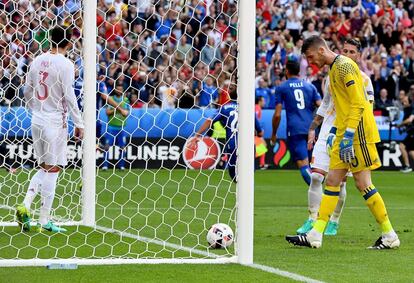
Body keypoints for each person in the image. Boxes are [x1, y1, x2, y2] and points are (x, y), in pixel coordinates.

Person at [286, 36, 400, 249]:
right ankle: (316, 234)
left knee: (363, 183)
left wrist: (348, 134)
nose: (310, 62)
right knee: (332, 181)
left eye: (311, 57)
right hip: (343, 132)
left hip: (358, 134)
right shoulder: (333, 70)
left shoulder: (345, 68)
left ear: (321, 50)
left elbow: (358, 103)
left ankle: (389, 234)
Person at [297, 38, 375, 235]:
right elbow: (325, 103)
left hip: (349, 129)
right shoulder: (332, 72)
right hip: (329, 129)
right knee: (316, 176)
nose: (348, 54)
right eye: (345, 50)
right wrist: (313, 127)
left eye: (352, 52)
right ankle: (312, 220)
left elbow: (366, 107)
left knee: (341, 181)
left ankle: (333, 221)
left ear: (358, 55)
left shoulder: (364, 79)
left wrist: (351, 133)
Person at [17, 26, 84, 233]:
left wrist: (35, 107)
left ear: (50, 39)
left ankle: (26, 205)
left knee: (45, 166)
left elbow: (27, 89)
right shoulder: (66, 64)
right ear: (69, 43)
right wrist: (79, 123)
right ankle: (44, 220)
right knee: (53, 169)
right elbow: (69, 95)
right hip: (55, 121)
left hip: (37, 118)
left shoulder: (37, 60)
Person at [194, 88, 263, 182]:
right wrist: (258, 133)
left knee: (233, 173)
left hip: (232, 143)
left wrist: (197, 134)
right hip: (248, 143)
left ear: (229, 96)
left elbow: (209, 120)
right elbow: (260, 132)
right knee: (249, 172)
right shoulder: (248, 108)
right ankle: (246, 191)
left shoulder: (224, 108)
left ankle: (239, 189)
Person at [271, 60, 321, 186]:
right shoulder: (310, 86)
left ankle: (324, 195)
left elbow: (277, 115)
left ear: (286, 71)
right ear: (299, 71)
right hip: (312, 130)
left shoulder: (282, 87)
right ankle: (319, 198)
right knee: (314, 167)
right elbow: (321, 108)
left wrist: (274, 133)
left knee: (303, 165)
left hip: (295, 130)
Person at [102, 82, 130, 170]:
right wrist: (118, 109)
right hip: (111, 126)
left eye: (121, 89)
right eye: (117, 89)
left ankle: (121, 165)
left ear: (123, 90)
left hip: (121, 127)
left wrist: (120, 111)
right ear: (115, 89)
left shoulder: (125, 100)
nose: (119, 90)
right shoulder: (110, 99)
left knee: (122, 147)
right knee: (106, 146)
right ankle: (105, 165)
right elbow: (107, 112)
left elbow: (126, 113)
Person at [397, 91, 414, 173]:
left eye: (405, 101)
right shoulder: (407, 110)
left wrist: (400, 125)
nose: (403, 102)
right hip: (411, 132)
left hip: (413, 133)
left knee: (401, 146)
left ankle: (407, 166)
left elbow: (410, 120)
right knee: (411, 151)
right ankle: (407, 166)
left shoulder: (412, 109)